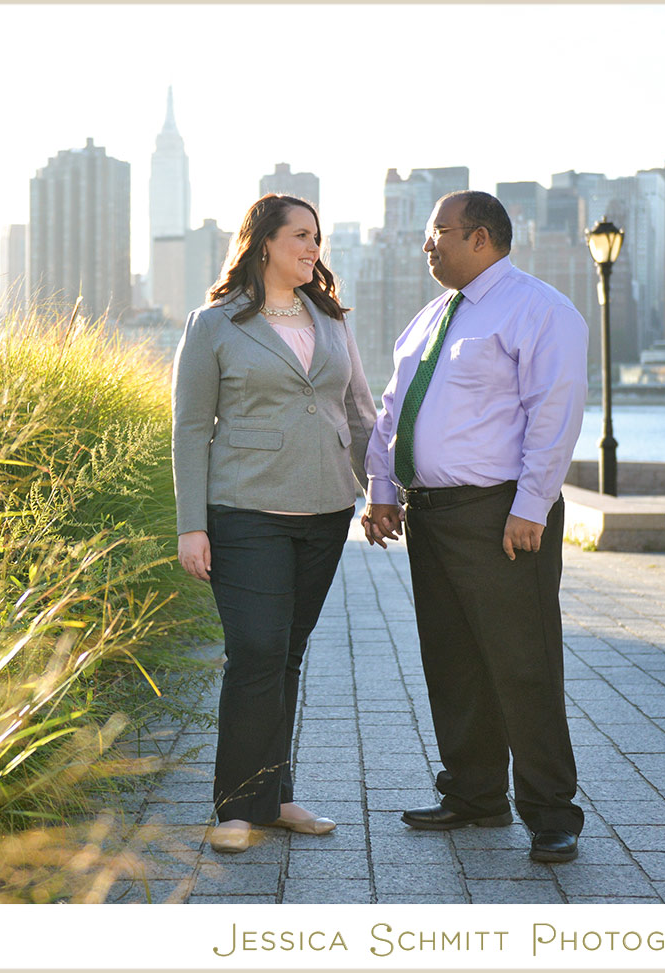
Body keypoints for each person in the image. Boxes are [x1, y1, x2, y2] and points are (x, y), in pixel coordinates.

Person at [361, 190, 588, 863]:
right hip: (431, 515)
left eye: (439, 234)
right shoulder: (429, 319)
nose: (427, 246)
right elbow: (391, 409)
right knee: (452, 661)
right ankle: (475, 793)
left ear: (482, 237)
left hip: (501, 512)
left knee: (524, 662)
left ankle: (551, 811)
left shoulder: (541, 309)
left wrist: (531, 504)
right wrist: (381, 488)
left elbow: (556, 408)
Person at [172, 194, 376, 854]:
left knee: (284, 654)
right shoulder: (215, 324)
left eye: (317, 237)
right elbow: (190, 429)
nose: (312, 247)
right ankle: (236, 805)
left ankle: (276, 796)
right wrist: (191, 524)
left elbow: (360, 413)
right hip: (245, 512)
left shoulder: (331, 319)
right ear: (263, 243)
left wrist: (382, 492)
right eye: (299, 235)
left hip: (326, 511)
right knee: (256, 649)